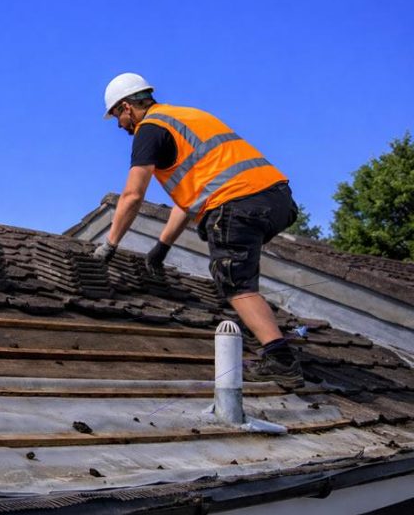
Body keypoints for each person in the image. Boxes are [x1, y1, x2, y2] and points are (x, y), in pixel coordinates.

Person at [93, 73, 303, 389]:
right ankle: (258, 323)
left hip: (236, 203)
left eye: (117, 118)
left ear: (127, 107)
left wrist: (110, 244)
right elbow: (191, 198)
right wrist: (162, 246)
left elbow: (133, 195)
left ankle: (280, 359)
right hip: (276, 199)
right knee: (239, 264)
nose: (120, 126)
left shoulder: (150, 129)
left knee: (234, 280)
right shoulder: (186, 116)